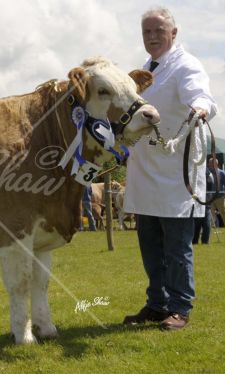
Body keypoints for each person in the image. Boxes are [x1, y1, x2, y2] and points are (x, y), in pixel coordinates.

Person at [123, 7, 218, 330]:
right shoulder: (143, 70)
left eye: (158, 31)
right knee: (150, 244)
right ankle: (157, 303)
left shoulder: (186, 65)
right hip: (146, 170)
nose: (151, 37)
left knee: (177, 248)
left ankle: (180, 307)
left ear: (173, 33)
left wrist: (201, 107)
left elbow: (200, 94)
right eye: (146, 31)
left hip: (175, 172)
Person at [193, 167, 214, 244]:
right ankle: (195, 241)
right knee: (197, 224)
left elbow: (211, 182)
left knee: (206, 224)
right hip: (197, 200)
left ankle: (205, 242)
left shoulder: (205, 170)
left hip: (205, 200)